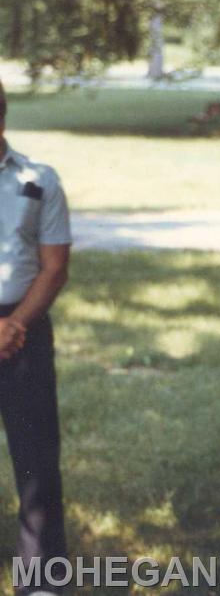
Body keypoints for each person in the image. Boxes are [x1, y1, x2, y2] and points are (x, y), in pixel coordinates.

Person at [0, 78, 72, 596]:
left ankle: (41, 579)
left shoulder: (38, 180)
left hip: (21, 331)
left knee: (35, 459)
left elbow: (53, 267)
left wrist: (16, 323)